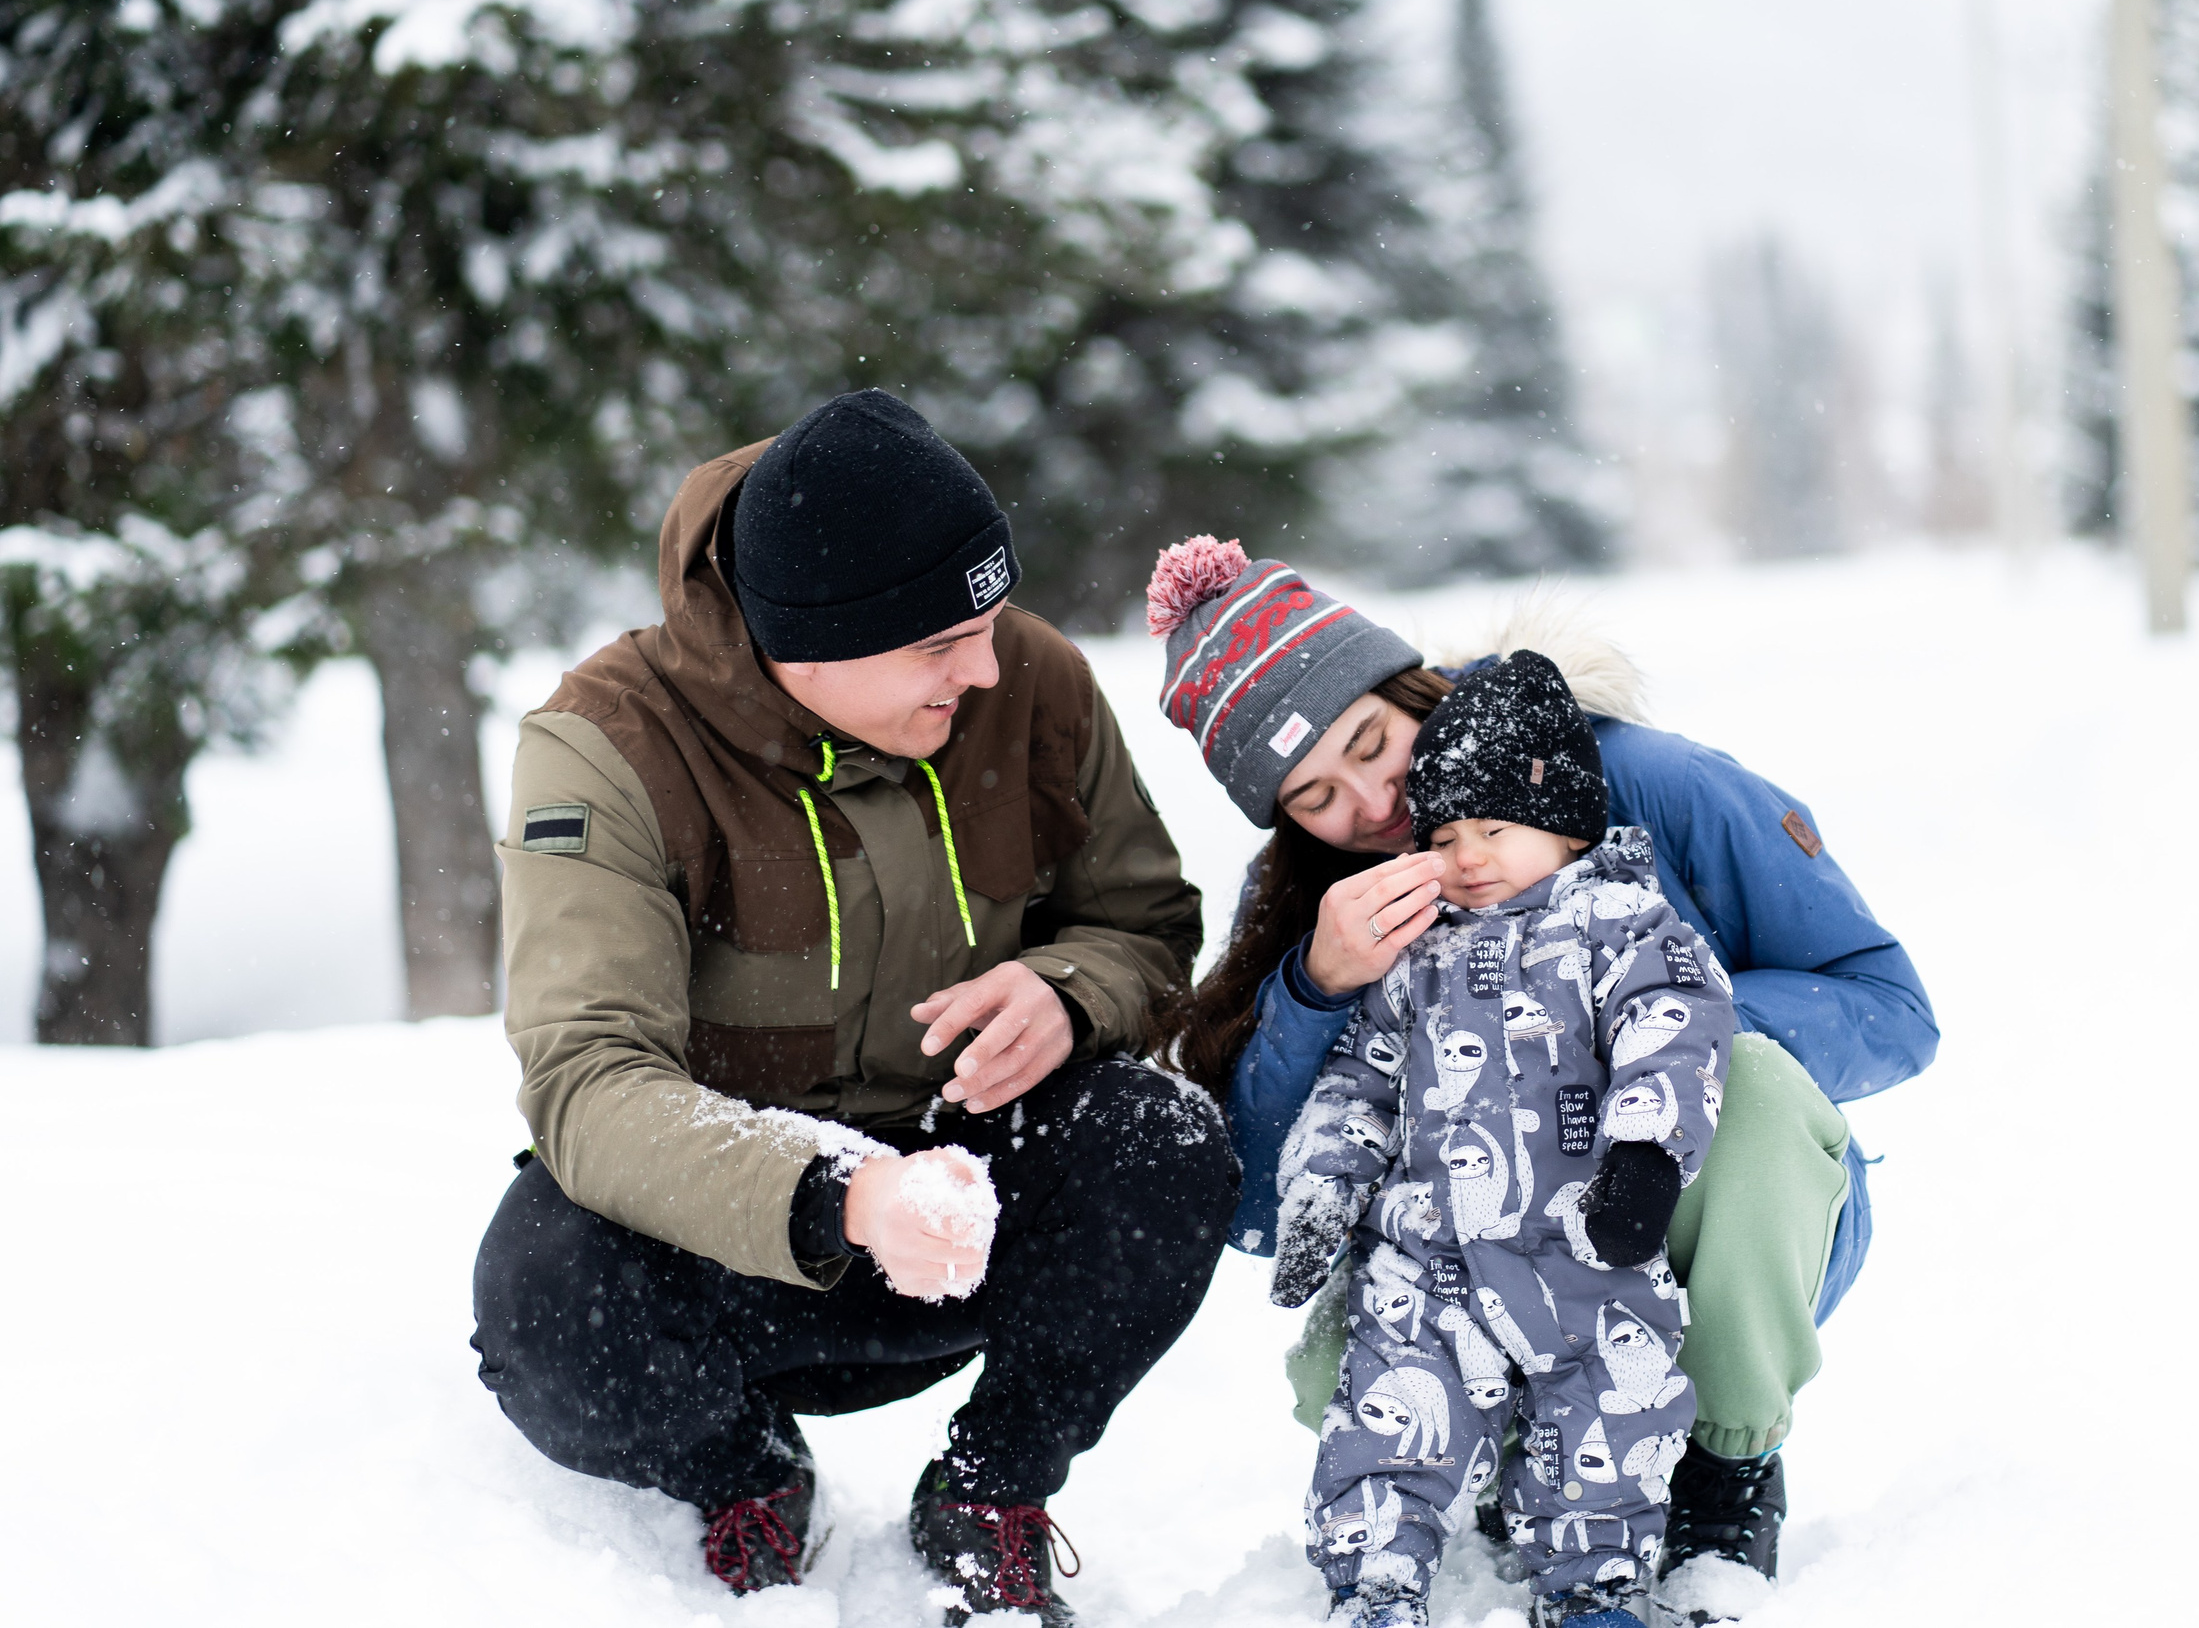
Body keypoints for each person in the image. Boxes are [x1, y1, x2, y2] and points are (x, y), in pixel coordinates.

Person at [469, 391, 1235, 1623]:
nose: (984, 667)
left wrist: (1068, 993)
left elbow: (1143, 928)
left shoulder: (1029, 682)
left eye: (988, 623)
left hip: (973, 1194)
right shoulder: (605, 746)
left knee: (1166, 1139)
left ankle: (990, 1490)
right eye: (941, 644)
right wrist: (838, 1197)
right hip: (734, 1222)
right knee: (546, 1300)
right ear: (811, 643)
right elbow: (588, 1080)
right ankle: (743, 1473)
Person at [1144, 536, 1938, 1594]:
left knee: (1748, 1081)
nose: (1371, 806)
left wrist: (1625, 1030)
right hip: (1456, 1275)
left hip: (1688, 1216)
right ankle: (1475, 1469)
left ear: (1406, 683)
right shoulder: (1319, 904)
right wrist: (1315, 990)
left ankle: (1722, 1461)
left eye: (1373, 741)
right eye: (1314, 797)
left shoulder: (1649, 783)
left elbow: (1889, 1008)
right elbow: (1255, 1214)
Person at [1275, 651, 1736, 1628]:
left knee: (1614, 1408)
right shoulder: (1415, 956)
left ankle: (1593, 1586)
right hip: (1427, 1255)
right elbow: (1360, 1080)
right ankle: (1371, 1588)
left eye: (1495, 827)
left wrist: (1645, 1158)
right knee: (1386, 1422)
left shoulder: (1623, 927)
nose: (1468, 854)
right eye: (1444, 833)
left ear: (1568, 827)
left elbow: (1673, 1028)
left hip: (1580, 1245)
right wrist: (1321, 1187)